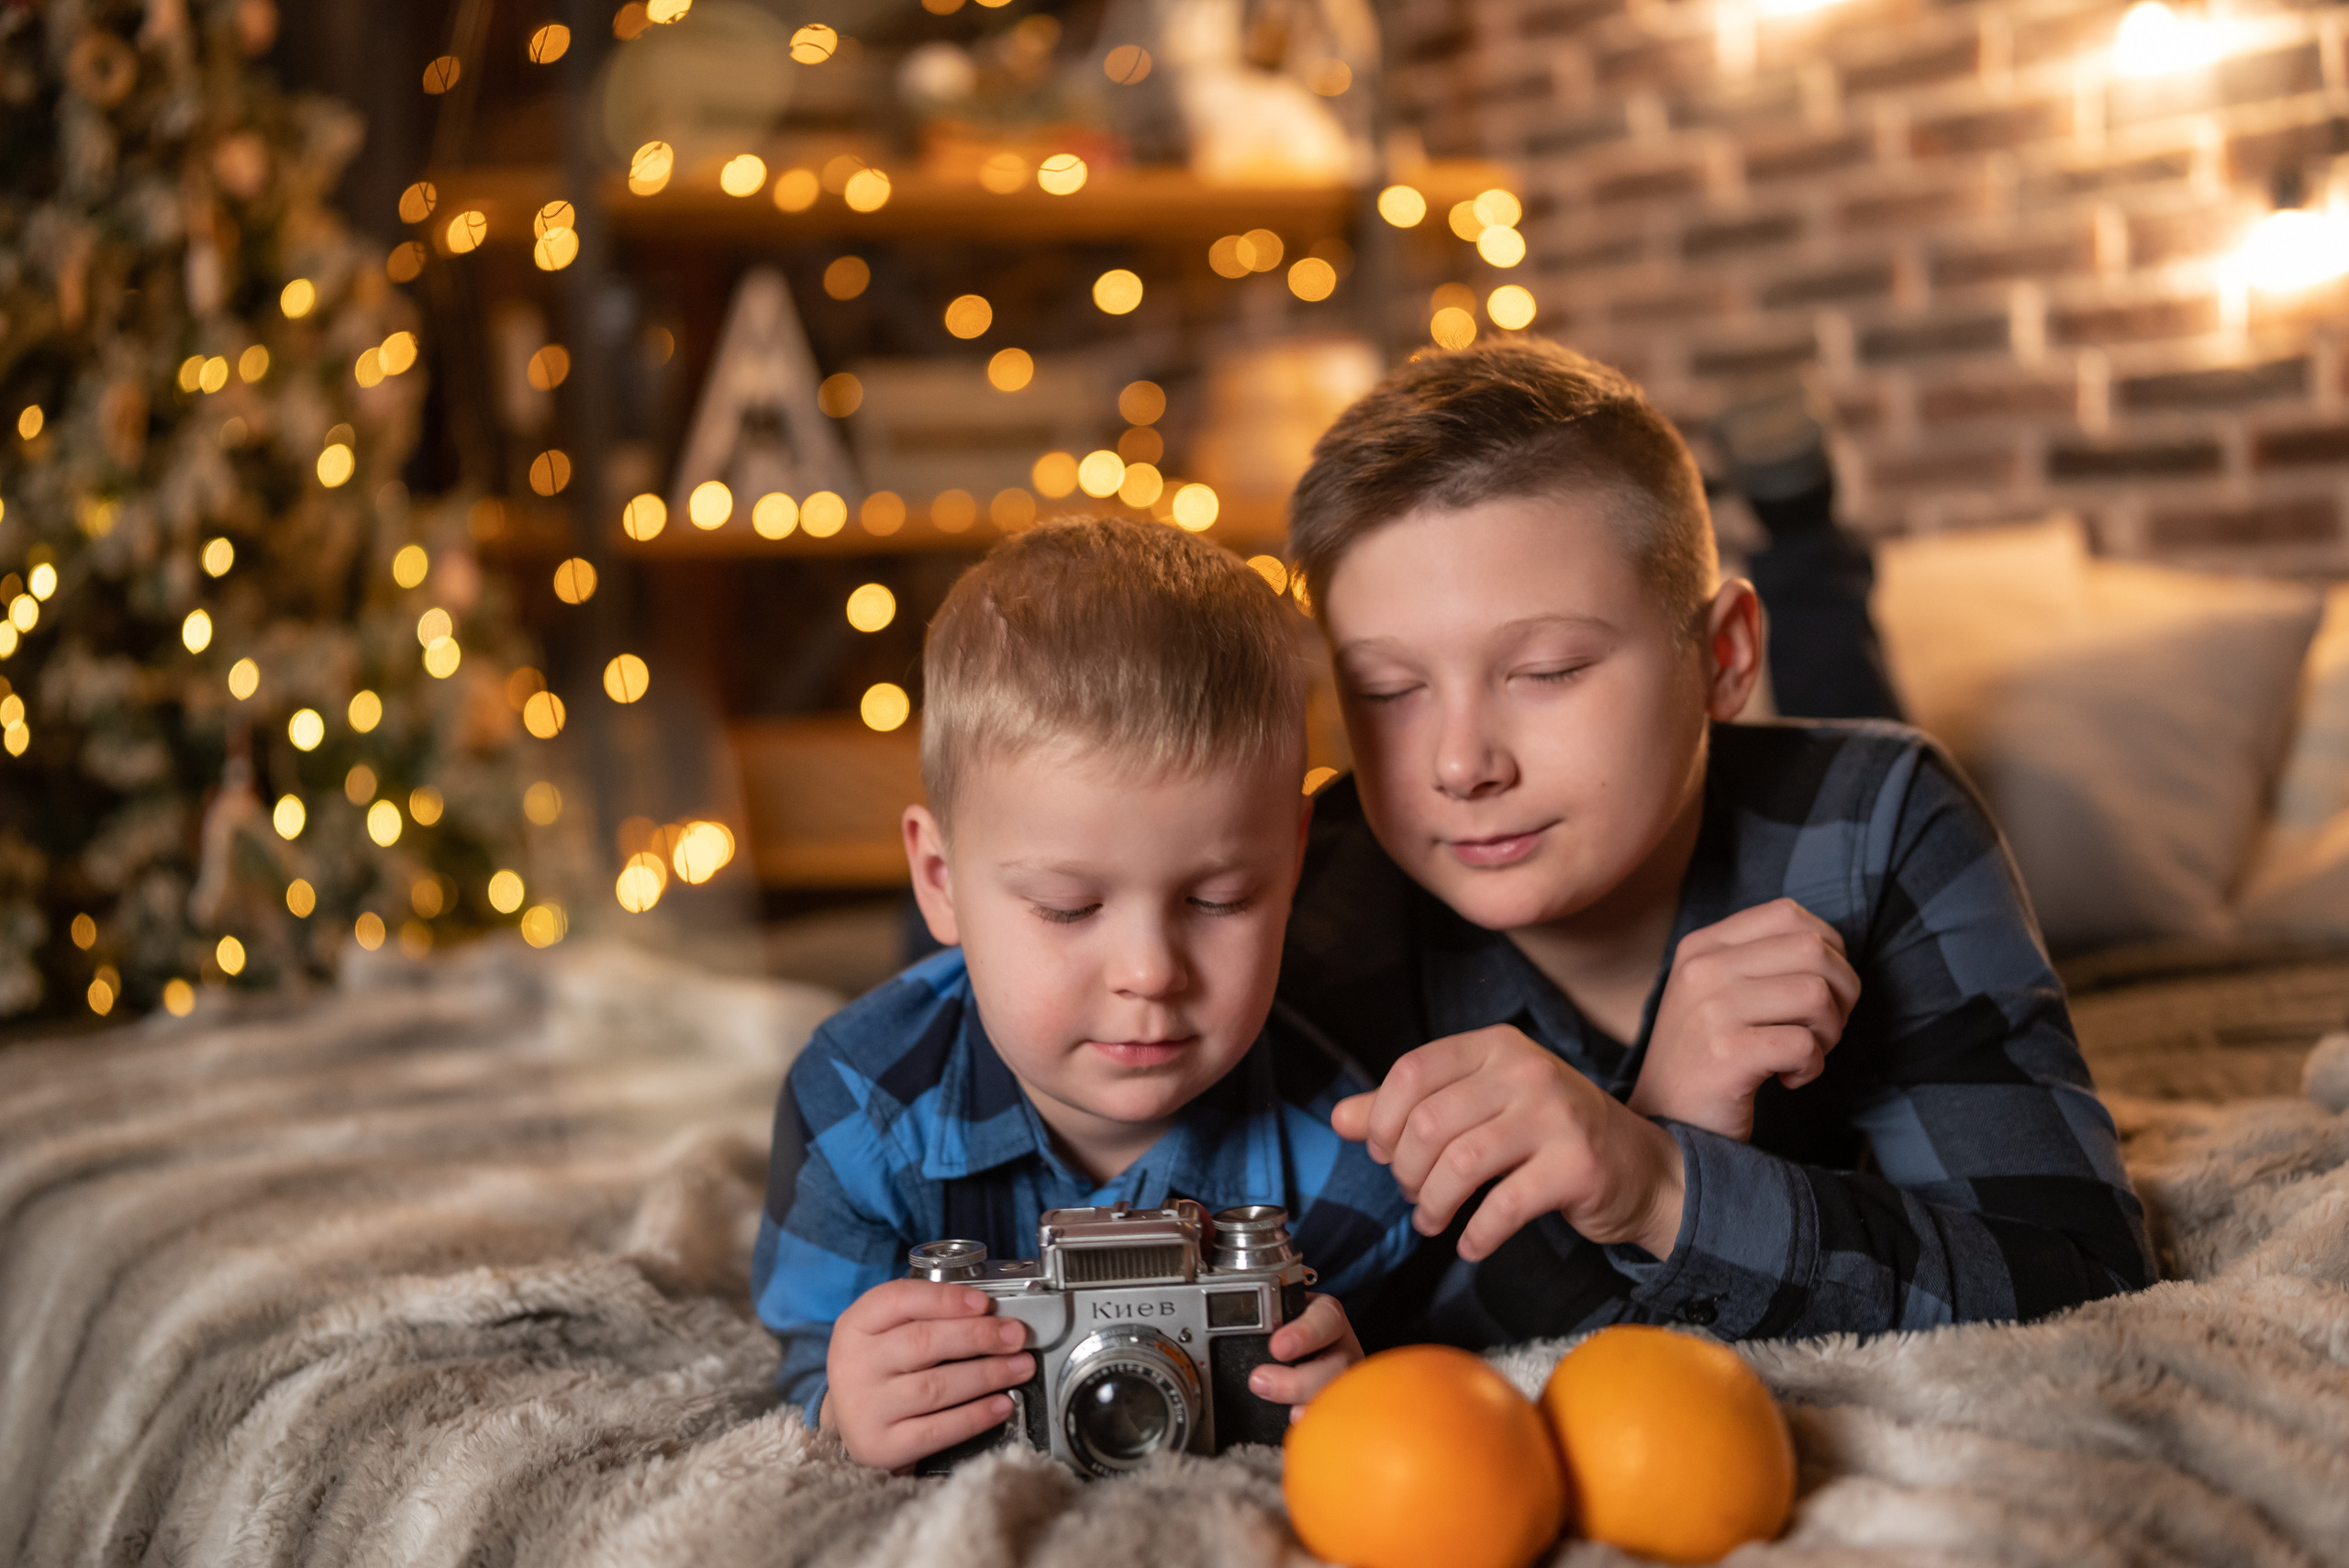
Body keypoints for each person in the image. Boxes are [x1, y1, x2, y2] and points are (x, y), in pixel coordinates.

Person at [1276, 340, 2154, 1350]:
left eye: (1548, 670)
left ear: (1723, 655)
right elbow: (1346, 1330)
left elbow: (2082, 1278)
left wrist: (1663, 1184)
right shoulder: (1312, 899)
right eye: (1388, 692)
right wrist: (1656, 1143)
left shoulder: (1877, 822)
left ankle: (1805, 535)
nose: (1460, 763)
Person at [751, 517, 1419, 1473]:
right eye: (1069, 907)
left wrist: (1355, 1387)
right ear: (938, 879)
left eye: (1218, 899)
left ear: (1292, 857)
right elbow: (803, 1361)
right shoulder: (855, 1109)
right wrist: (840, 1401)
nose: (1149, 970)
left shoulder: (1353, 1156)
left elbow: (1431, 1367)